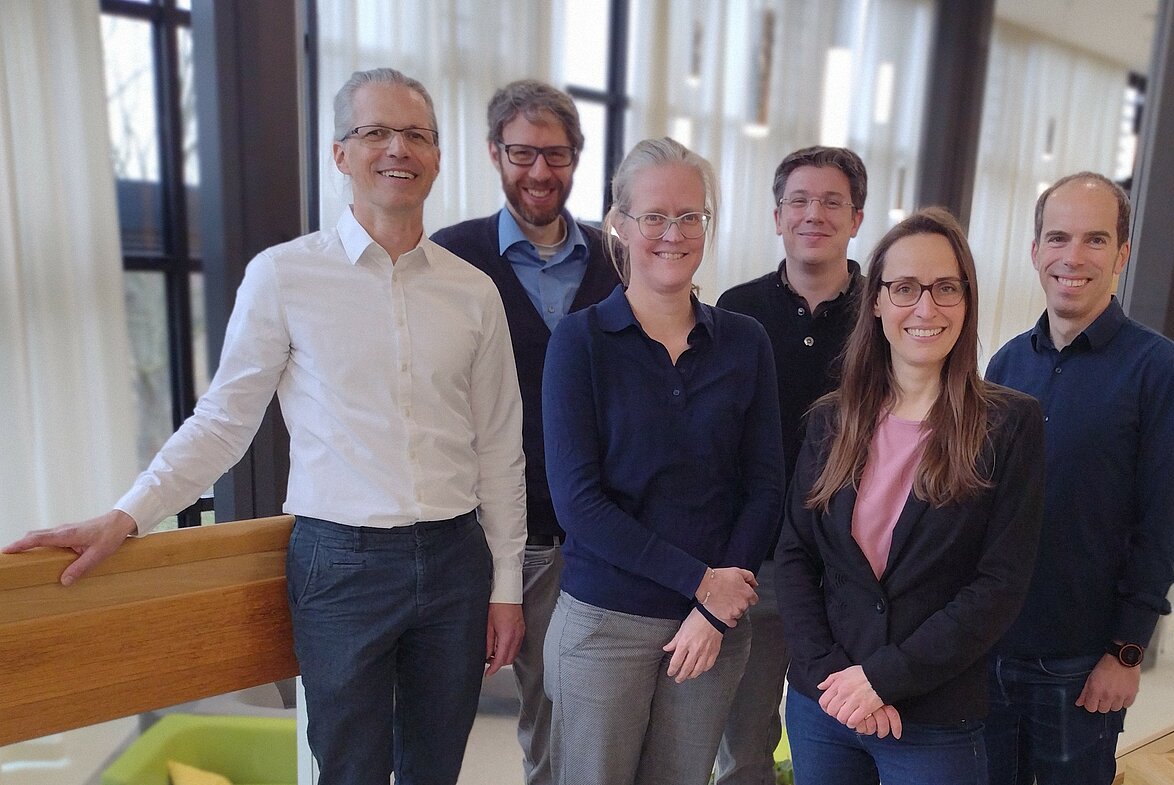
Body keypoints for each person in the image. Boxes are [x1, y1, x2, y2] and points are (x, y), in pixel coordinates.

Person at [4, 68, 527, 785]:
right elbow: (222, 424)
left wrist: (504, 585)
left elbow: (500, 447)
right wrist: (127, 515)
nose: (397, 148)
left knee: (435, 766)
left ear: (437, 157)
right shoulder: (284, 276)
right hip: (340, 563)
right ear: (341, 154)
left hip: (455, 561)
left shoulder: (473, 293)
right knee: (348, 768)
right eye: (375, 131)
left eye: (416, 134)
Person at [541, 136, 785, 785]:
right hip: (605, 623)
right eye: (654, 215)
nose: (672, 233)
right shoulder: (580, 341)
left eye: (690, 216)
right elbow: (579, 503)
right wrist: (703, 584)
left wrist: (713, 609)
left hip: (713, 628)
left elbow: (765, 486)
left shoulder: (743, 340)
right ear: (619, 224)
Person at [776, 207, 1045, 785]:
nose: (926, 308)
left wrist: (881, 681)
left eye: (945, 288)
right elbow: (796, 557)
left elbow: (999, 586)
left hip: (933, 720)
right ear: (875, 302)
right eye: (904, 289)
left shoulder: (1009, 425)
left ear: (968, 302)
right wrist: (834, 679)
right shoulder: (831, 421)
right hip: (825, 707)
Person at [983, 172, 1174, 785]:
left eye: (1095, 240)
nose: (1072, 257)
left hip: (1082, 665)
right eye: (1057, 238)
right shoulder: (1007, 363)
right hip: (989, 652)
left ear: (1122, 255)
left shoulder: (1161, 370)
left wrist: (1126, 651)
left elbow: (1161, 525)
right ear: (1034, 252)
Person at [431, 79, 619, 785]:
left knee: (594, 714)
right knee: (530, 714)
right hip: (502, 536)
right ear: (492, 153)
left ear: (577, 158)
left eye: (556, 154)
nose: (540, 172)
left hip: (606, 536)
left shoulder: (620, 260)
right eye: (522, 153)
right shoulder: (449, 259)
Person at [713, 145, 868, 785]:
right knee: (746, 743)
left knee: (836, 739)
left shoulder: (885, 314)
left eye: (832, 201)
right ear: (777, 216)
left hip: (851, 569)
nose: (815, 215)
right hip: (754, 560)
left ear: (857, 218)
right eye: (799, 201)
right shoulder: (735, 310)